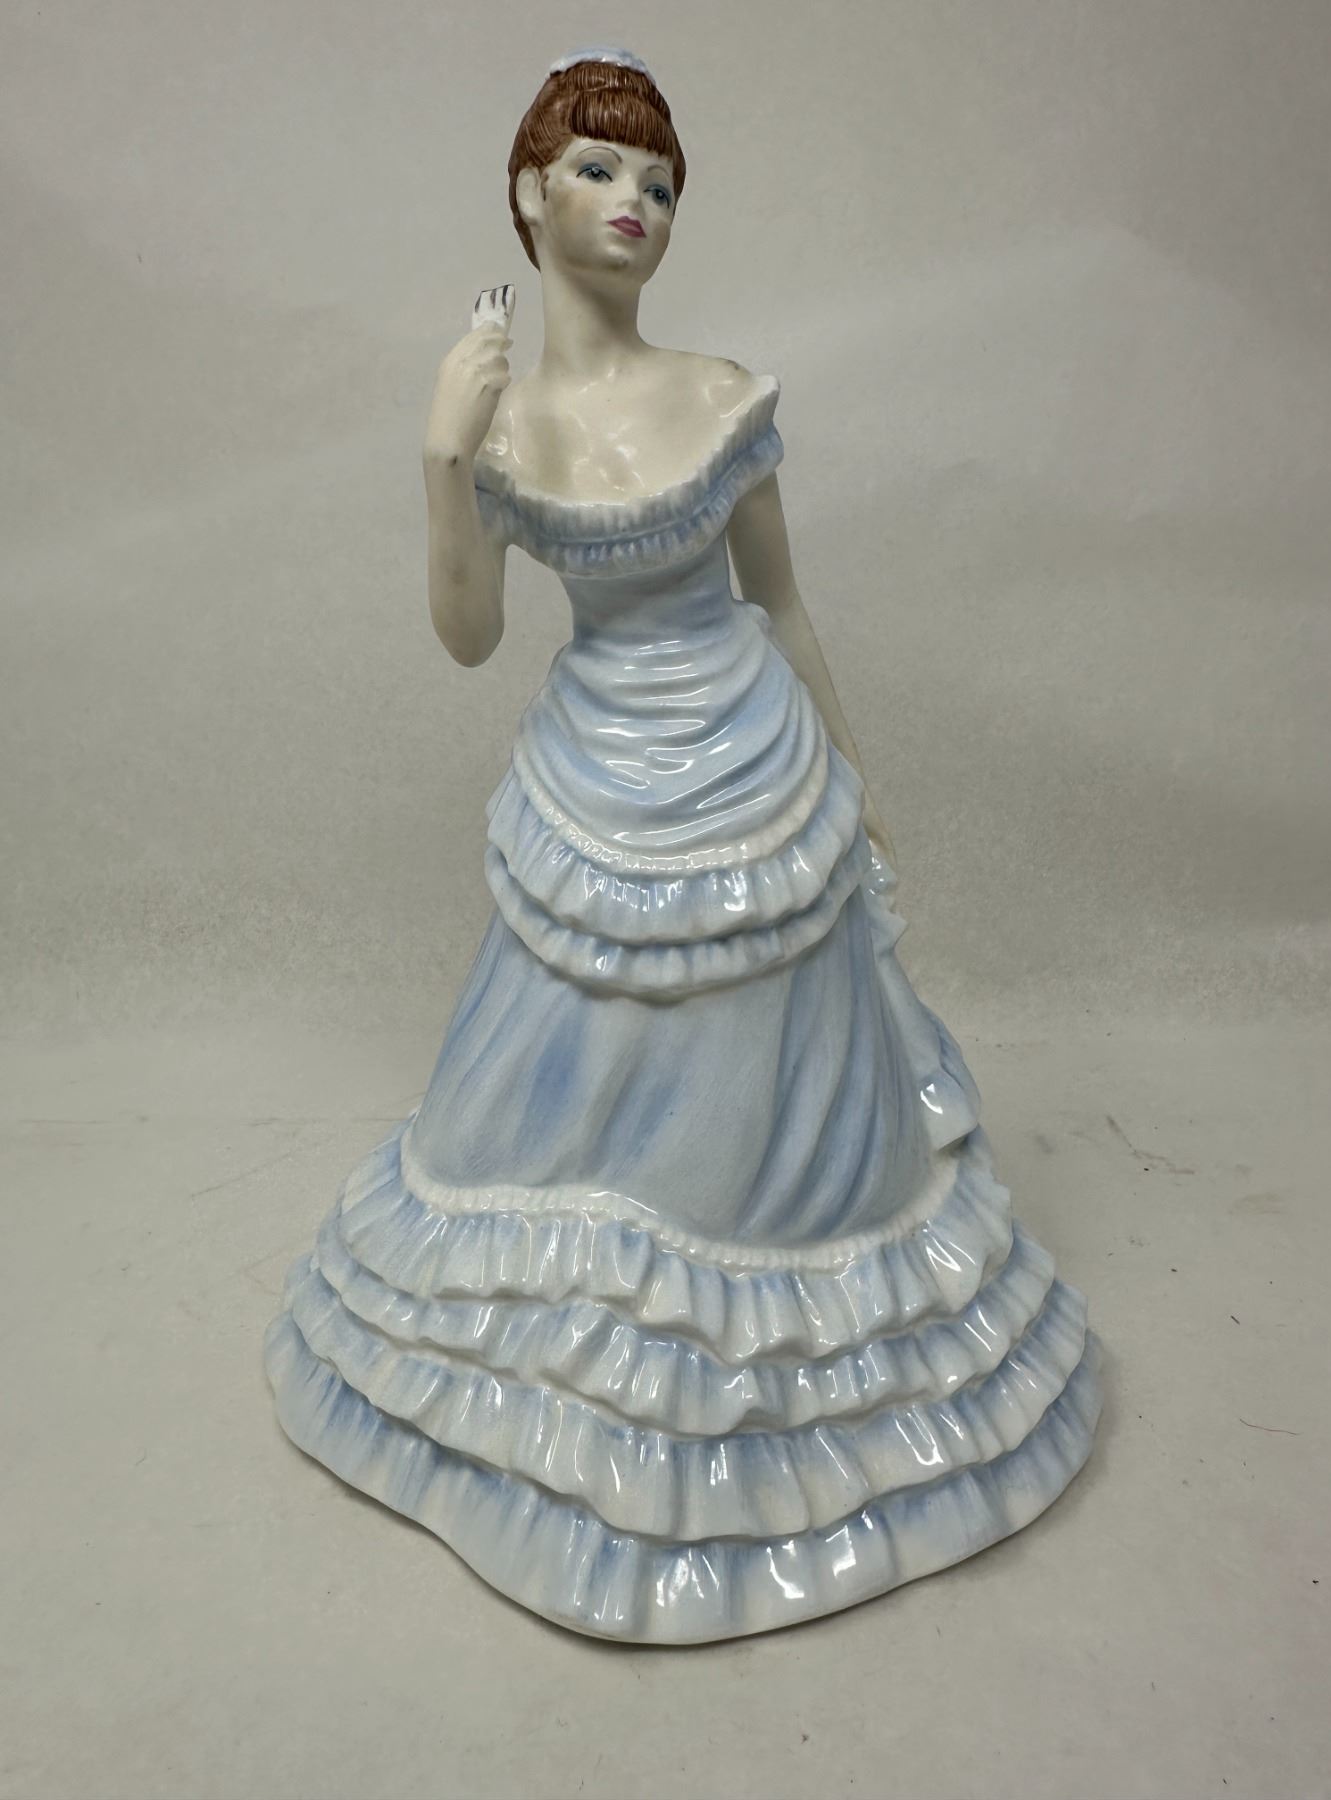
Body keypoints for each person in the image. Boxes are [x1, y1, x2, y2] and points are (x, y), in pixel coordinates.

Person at [264, 45, 1102, 1645]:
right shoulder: (500, 428)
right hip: (601, 768)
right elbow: (468, 636)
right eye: (599, 168)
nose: (634, 201)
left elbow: (779, 602)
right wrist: (441, 463)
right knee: (552, 1095)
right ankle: (580, 1367)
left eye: (658, 181)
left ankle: (770, 1374)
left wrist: (850, 776)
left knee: (777, 1091)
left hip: (750, 759)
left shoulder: (719, 396)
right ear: (529, 194)